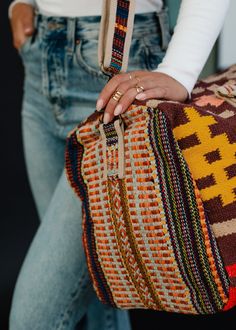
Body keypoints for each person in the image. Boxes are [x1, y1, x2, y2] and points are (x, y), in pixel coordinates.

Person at [8, 0, 230, 329]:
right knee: (101, 295)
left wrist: (179, 70)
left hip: (121, 75)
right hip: (40, 63)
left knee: (33, 320)